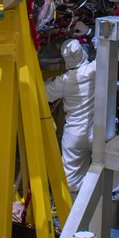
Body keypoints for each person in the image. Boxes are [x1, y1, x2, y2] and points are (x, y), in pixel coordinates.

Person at [44, 38, 96, 196]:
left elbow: (45, 94)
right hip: (97, 131)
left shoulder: (64, 81)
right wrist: (90, 33)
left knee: (72, 182)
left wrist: (47, 81)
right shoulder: (95, 69)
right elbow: (107, 51)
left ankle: (74, 214)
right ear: (82, 52)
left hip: (74, 133)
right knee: (111, 173)